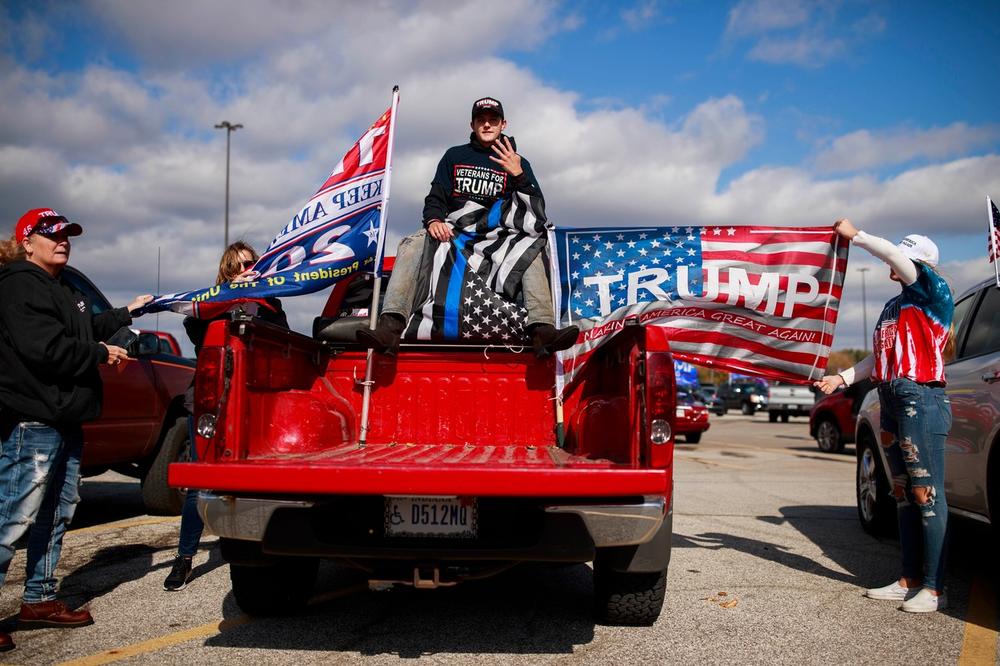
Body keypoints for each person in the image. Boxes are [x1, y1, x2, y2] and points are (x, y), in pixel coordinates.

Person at [0, 208, 152, 651]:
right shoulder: (18, 286)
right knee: (13, 517)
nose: (62, 240)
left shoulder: (63, 286)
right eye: (51, 234)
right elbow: (46, 349)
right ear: (27, 242)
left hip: (67, 420)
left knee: (57, 513)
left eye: (67, 234)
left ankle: (39, 599)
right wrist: (101, 354)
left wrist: (127, 312)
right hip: (34, 421)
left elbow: (84, 327)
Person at [358, 96, 578, 357]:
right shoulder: (454, 155)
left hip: (497, 238)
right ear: (472, 124)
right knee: (411, 242)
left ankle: (543, 330)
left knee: (531, 248)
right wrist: (434, 220)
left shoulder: (518, 162)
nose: (487, 125)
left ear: (503, 124)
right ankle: (390, 327)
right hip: (455, 233)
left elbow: (535, 211)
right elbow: (436, 197)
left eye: (493, 120)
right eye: (481, 120)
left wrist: (518, 175)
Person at [815, 218, 953, 614]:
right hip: (891, 396)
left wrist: (856, 236)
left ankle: (934, 587)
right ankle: (909, 579)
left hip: (920, 397)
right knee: (903, 493)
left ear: (919, 264)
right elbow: (879, 356)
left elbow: (892, 254)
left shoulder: (932, 290)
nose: (893, 264)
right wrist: (841, 378)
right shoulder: (894, 306)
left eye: (904, 258)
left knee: (927, 492)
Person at [163, 241, 288, 592]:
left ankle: (255, 547)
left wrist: (258, 300)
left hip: (253, 402)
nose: (249, 269)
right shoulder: (211, 304)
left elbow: (281, 337)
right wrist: (231, 298)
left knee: (254, 478)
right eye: (241, 265)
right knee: (200, 481)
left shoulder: (269, 303)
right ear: (228, 271)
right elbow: (196, 331)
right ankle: (184, 557)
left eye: (252, 263)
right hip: (212, 401)